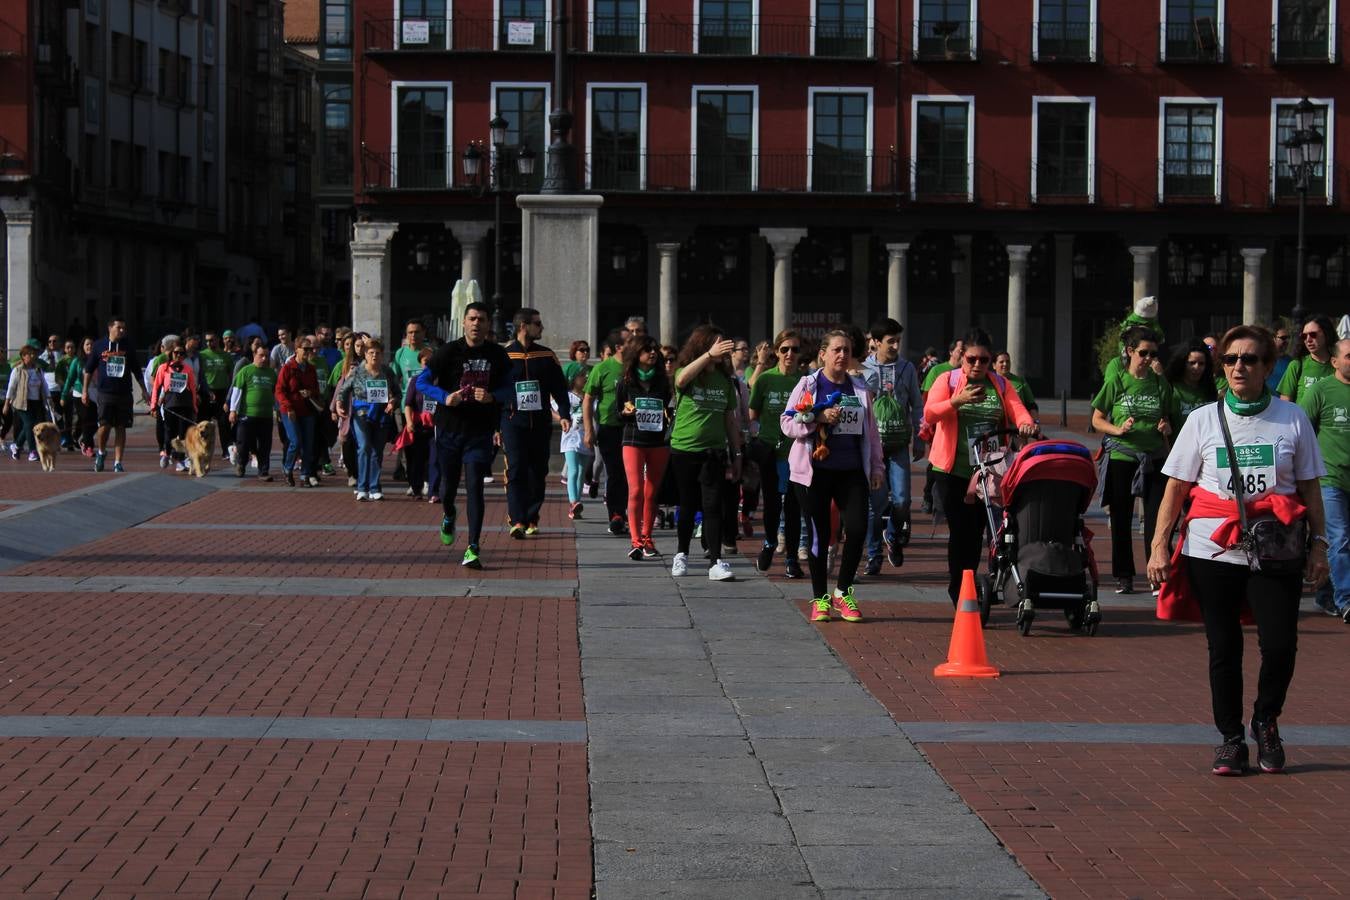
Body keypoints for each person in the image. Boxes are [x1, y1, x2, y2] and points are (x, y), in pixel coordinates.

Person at [1148, 325, 1329, 776]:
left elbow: (1309, 486)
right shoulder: (1202, 420)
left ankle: (1266, 719)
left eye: (1250, 359)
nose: (1239, 367)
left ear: (1269, 366)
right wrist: (1158, 546)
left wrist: (1321, 545)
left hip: (1276, 548)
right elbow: (1176, 487)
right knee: (1223, 647)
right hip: (1212, 550)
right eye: (1230, 360)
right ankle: (1230, 738)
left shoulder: (1292, 420)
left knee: (1281, 644)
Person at [778, 328, 886, 623]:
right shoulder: (809, 384)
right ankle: (820, 598)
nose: (842, 355)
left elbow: (872, 434)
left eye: (847, 350)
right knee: (820, 535)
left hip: (852, 471)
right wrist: (816, 418)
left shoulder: (860, 389)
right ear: (822, 354)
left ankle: (843, 592)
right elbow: (787, 423)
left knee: (858, 528)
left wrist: (877, 468)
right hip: (814, 473)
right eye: (836, 350)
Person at [924, 328, 1037, 605]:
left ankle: (970, 583)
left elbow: (1016, 408)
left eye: (983, 360)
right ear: (962, 357)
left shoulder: (999, 384)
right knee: (960, 531)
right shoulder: (947, 380)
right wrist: (956, 401)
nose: (977, 365)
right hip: (951, 471)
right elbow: (929, 413)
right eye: (972, 359)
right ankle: (958, 589)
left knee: (977, 532)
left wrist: (1025, 423)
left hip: (986, 471)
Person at [416, 300, 510, 570]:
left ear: (488, 325)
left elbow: (511, 389)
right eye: (472, 319)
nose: (476, 324)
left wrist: (492, 396)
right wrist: (445, 398)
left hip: (479, 433)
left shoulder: (497, 354)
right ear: (464, 322)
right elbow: (421, 382)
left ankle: (473, 547)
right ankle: (448, 513)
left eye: (481, 319)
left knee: (475, 489)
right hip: (449, 430)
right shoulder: (448, 352)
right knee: (448, 488)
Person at [1092, 326, 1174, 595]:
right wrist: (1119, 429)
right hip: (1122, 457)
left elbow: (1168, 418)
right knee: (1121, 518)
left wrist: (1165, 427)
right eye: (1143, 353)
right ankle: (1124, 576)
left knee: (1155, 519)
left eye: (1153, 353)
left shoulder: (1160, 383)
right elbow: (1097, 419)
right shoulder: (1116, 381)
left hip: (1153, 458)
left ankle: (1155, 574)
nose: (1149, 358)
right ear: (1130, 352)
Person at [669, 325, 743, 582]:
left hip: (714, 453)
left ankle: (715, 560)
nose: (723, 350)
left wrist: (737, 455)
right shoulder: (688, 373)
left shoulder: (724, 381)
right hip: (684, 449)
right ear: (704, 346)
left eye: (725, 345)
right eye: (718, 344)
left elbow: (730, 421)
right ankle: (681, 554)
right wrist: (708, 356)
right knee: (688, 505)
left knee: (713, 507)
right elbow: (680, 380)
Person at [500, 308, 570, 537]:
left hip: (540, 423)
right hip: (512, 421)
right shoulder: (504, 355)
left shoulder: (546, 356)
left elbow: (560, 389)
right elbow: (495, 392)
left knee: (538, 471)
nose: (542, 328)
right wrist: (494, 425)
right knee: (516, 469)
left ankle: (531, 517)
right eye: (538, 324)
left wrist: (565, 414)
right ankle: (517, 520)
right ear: (523, 326)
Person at [862, 318, 925, 574]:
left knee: (902, 501)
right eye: (890, 341)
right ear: (875, 342)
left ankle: (893, 535)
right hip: (872, 446)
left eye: (898, 340)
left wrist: (920, 437)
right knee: (875, 506)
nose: (896, 345)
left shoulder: (907, 368)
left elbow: (917, 404)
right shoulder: (863, 369)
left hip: (899, 442)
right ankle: (873, 554)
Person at [1298, 337, 1350, 621]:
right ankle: (1346, 599)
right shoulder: (1321, 390)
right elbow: (1302, 430)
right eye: (1349, 356)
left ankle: (1326, 593)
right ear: (1335, 362)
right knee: (1338, 539)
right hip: (1331, 478)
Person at [749, 329, 807, 579]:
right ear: (776, 352)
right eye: (784, 349)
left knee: (794, 507)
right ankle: (770, 543)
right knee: (772, 505)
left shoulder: (806, 381)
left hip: (796, 453)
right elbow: (752, 415)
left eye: (794, 349)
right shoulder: (765, 380)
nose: (789, 354)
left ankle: (792, 558)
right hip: (769, 451)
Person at [615, 335, 672, 559]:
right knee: (636, 490)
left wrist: (668, 415)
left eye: (654, 349)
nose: (652, 353)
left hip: (658, 442)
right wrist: (625, 413)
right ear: (636, 354)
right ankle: (636, 540)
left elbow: (670, 409)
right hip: (633, 441)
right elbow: (616, 413)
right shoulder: (626, 382)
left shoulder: (663, 382)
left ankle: (648, 538)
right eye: (647, 350)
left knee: (651, 492)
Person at [83, 317, 149, 473]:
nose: (122, 330)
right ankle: (101, 452)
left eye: (123, 328)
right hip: (105, 392)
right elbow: (88, 370)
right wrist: (85, 391)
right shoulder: (99, 345)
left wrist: (144, 390)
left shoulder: (128, 346)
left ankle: (118, 462)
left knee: (121, 427)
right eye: (119, 327)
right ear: (110, 328)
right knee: (104, 426)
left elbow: (136, 370)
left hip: (124, 393)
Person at [340, 338, 401, 501]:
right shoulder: (357, 371)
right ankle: (362, 487)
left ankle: (375, 486)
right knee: (364, 447)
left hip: (381, 415)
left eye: (378, 353)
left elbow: (397, 393)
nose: (374, 356)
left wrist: (393, 402)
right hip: (362, 414)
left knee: (376, 451)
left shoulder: (387, 372)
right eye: (371, 352)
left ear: (382, 355)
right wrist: (340, 405)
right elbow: (344, 390)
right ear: (365, 355)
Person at [583, 331, 629, 536]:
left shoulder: (636, 368)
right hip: (609, 427)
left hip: (633, 428)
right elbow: (587, 399)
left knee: (630, 474)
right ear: (619, 347)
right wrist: (589, 430)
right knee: (614, 472)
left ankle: (627, 511)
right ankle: (616, 515)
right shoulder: (602, 369)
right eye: (630, 341)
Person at [274, 337, 322, 488]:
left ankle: (305, 475)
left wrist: (310, 392)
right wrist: (288, 407)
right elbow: (279, 391)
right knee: (295, 441)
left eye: (311, 349)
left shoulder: (311, 369)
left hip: (307, 410)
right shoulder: (288, 368)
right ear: (297, 350)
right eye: (306, 349)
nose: (309, 352)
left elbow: (316, 390)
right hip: (291, 410)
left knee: (308, 444)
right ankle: (287, 469)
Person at [229, 343, 277, 481]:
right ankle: (241, 464)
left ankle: (263, 471)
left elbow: (276, 393)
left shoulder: (271, 373)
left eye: (266, 356)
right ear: (254, 355)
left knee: (265, 445)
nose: (264, 359)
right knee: (243, 443)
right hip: (247, 415)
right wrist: (233, 410)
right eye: (261, 355)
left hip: (266, 415)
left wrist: (278, 410)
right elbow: (236, 391)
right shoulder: (246, 371)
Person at [148, 344, 200, 472]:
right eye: (176, 353)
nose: (178, 355)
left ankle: (181, 459)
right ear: (171, 354)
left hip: (185, 404)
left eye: (181, 353)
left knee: (183, 433)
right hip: (170, 404)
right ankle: (166, 452)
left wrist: (194, 406)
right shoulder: (163, 368)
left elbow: (193, 389)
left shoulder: (187, 369)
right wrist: (154, 405)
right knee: (169, 431)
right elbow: (156, 387)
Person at [4, 343, 53, 462]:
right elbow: (11, 387)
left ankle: (16, 445)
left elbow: (44, 385)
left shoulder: (38, 370)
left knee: (31, 426)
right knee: (30, 424)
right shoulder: (17, 370)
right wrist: (6, 403)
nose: (32, 356)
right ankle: (32, 451)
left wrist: (49, 398)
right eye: (29, 354)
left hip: (35, 402)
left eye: (34, 354)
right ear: (23, 356)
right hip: (21, 403)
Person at [401, 347, 436, 499]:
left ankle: (433, 488)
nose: (428, 364)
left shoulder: (440, 381)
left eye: (431, 361)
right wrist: (409, 422)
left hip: (435, 426)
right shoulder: (415, 381)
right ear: (421, 363)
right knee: (417, 458)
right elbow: (408, 403)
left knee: (434, 458)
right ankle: (416, 487)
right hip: (419, 425)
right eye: (425, 362)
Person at [1278, 313, 1337, 403]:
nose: (1308, 339)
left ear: (1326, 333)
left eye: (1313, 334)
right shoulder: (1296, 365)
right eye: (1304, 336)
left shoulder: (1340, 365)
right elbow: (1285, 405)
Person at [556, 369, 590, 520]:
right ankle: (573, 502)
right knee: (574, 469)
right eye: (582, 376)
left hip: (584, 437)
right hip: (570, 437)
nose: (585, 378)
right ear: (573, 378)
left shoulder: (589, 396)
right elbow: (552, 407)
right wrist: (562, 418)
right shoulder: (567, 396)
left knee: (582, 471)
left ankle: (577, 505)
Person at [1166, 339, 1219, 430]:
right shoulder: (1171, 388)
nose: (1196, 367)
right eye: (1192, 363)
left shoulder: (1209, 390)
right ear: (1182, 363)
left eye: (1201, 364)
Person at [1266, 325, 1293, 393]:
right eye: (1283, 338)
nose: (1287, 341)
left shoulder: (1292, 362)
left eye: (1288, 338)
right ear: (1273, 338)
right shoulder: (1263, 359)